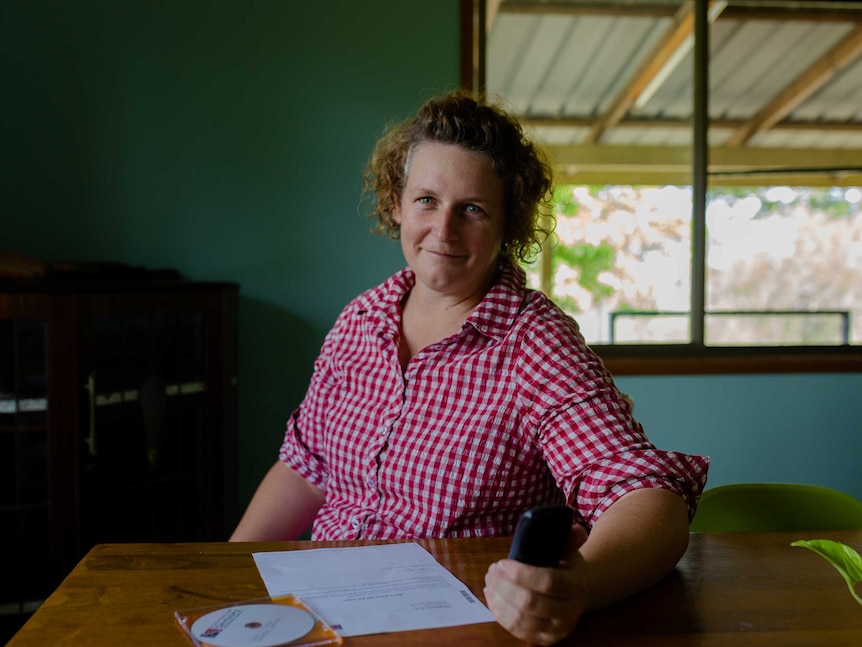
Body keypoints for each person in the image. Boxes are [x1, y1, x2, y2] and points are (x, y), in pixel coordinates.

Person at [230, 90, 709, 645]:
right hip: (314, 618)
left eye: (473, 209)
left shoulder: (535, 344)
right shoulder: (359, 320)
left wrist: (580, 583)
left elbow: (647, 496)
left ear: (509, 223)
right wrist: (225, 571)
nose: (444, 230)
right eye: (427, 200)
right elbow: (305, 466)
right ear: (396, 204)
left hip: (455, 630)